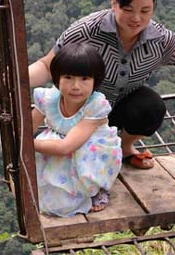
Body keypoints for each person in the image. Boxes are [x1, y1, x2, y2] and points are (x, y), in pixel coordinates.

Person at [28, 0, 175, 170]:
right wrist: (15, 79)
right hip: (81, 109)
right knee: (79, 159)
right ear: (113, 4)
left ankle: (124, 147)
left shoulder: (160, 40)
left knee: (151, 107)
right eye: (128, 9)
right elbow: (48, 66)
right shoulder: (87, 31)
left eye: (145, 11)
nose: (136, 18)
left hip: (119, 107)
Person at [31, 42, 122, 217]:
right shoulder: (49, 98)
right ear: (57, 78)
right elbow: (28, 127)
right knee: (44, 192)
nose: (75, 86)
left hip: (91, 151)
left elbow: (67, 147)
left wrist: (27, 144)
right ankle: (59, 182)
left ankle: (94, 189)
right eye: (68, 77)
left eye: (84, 79)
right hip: (60, 145)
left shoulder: (95, 105)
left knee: (67, 199)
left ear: (95, 81)